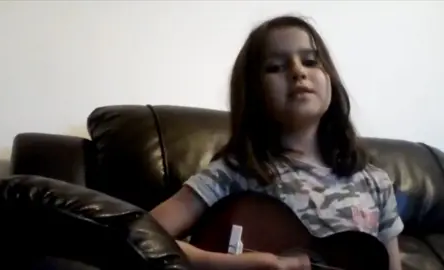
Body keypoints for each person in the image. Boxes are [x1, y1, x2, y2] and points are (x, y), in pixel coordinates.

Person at [151, 15, 403, 270]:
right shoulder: (231, 174)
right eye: (275, 67)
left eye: (310, 61)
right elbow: (140, 234)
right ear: (253, 91)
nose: (298, 71)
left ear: (330, 79)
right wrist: (237, 265)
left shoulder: (376, 183)